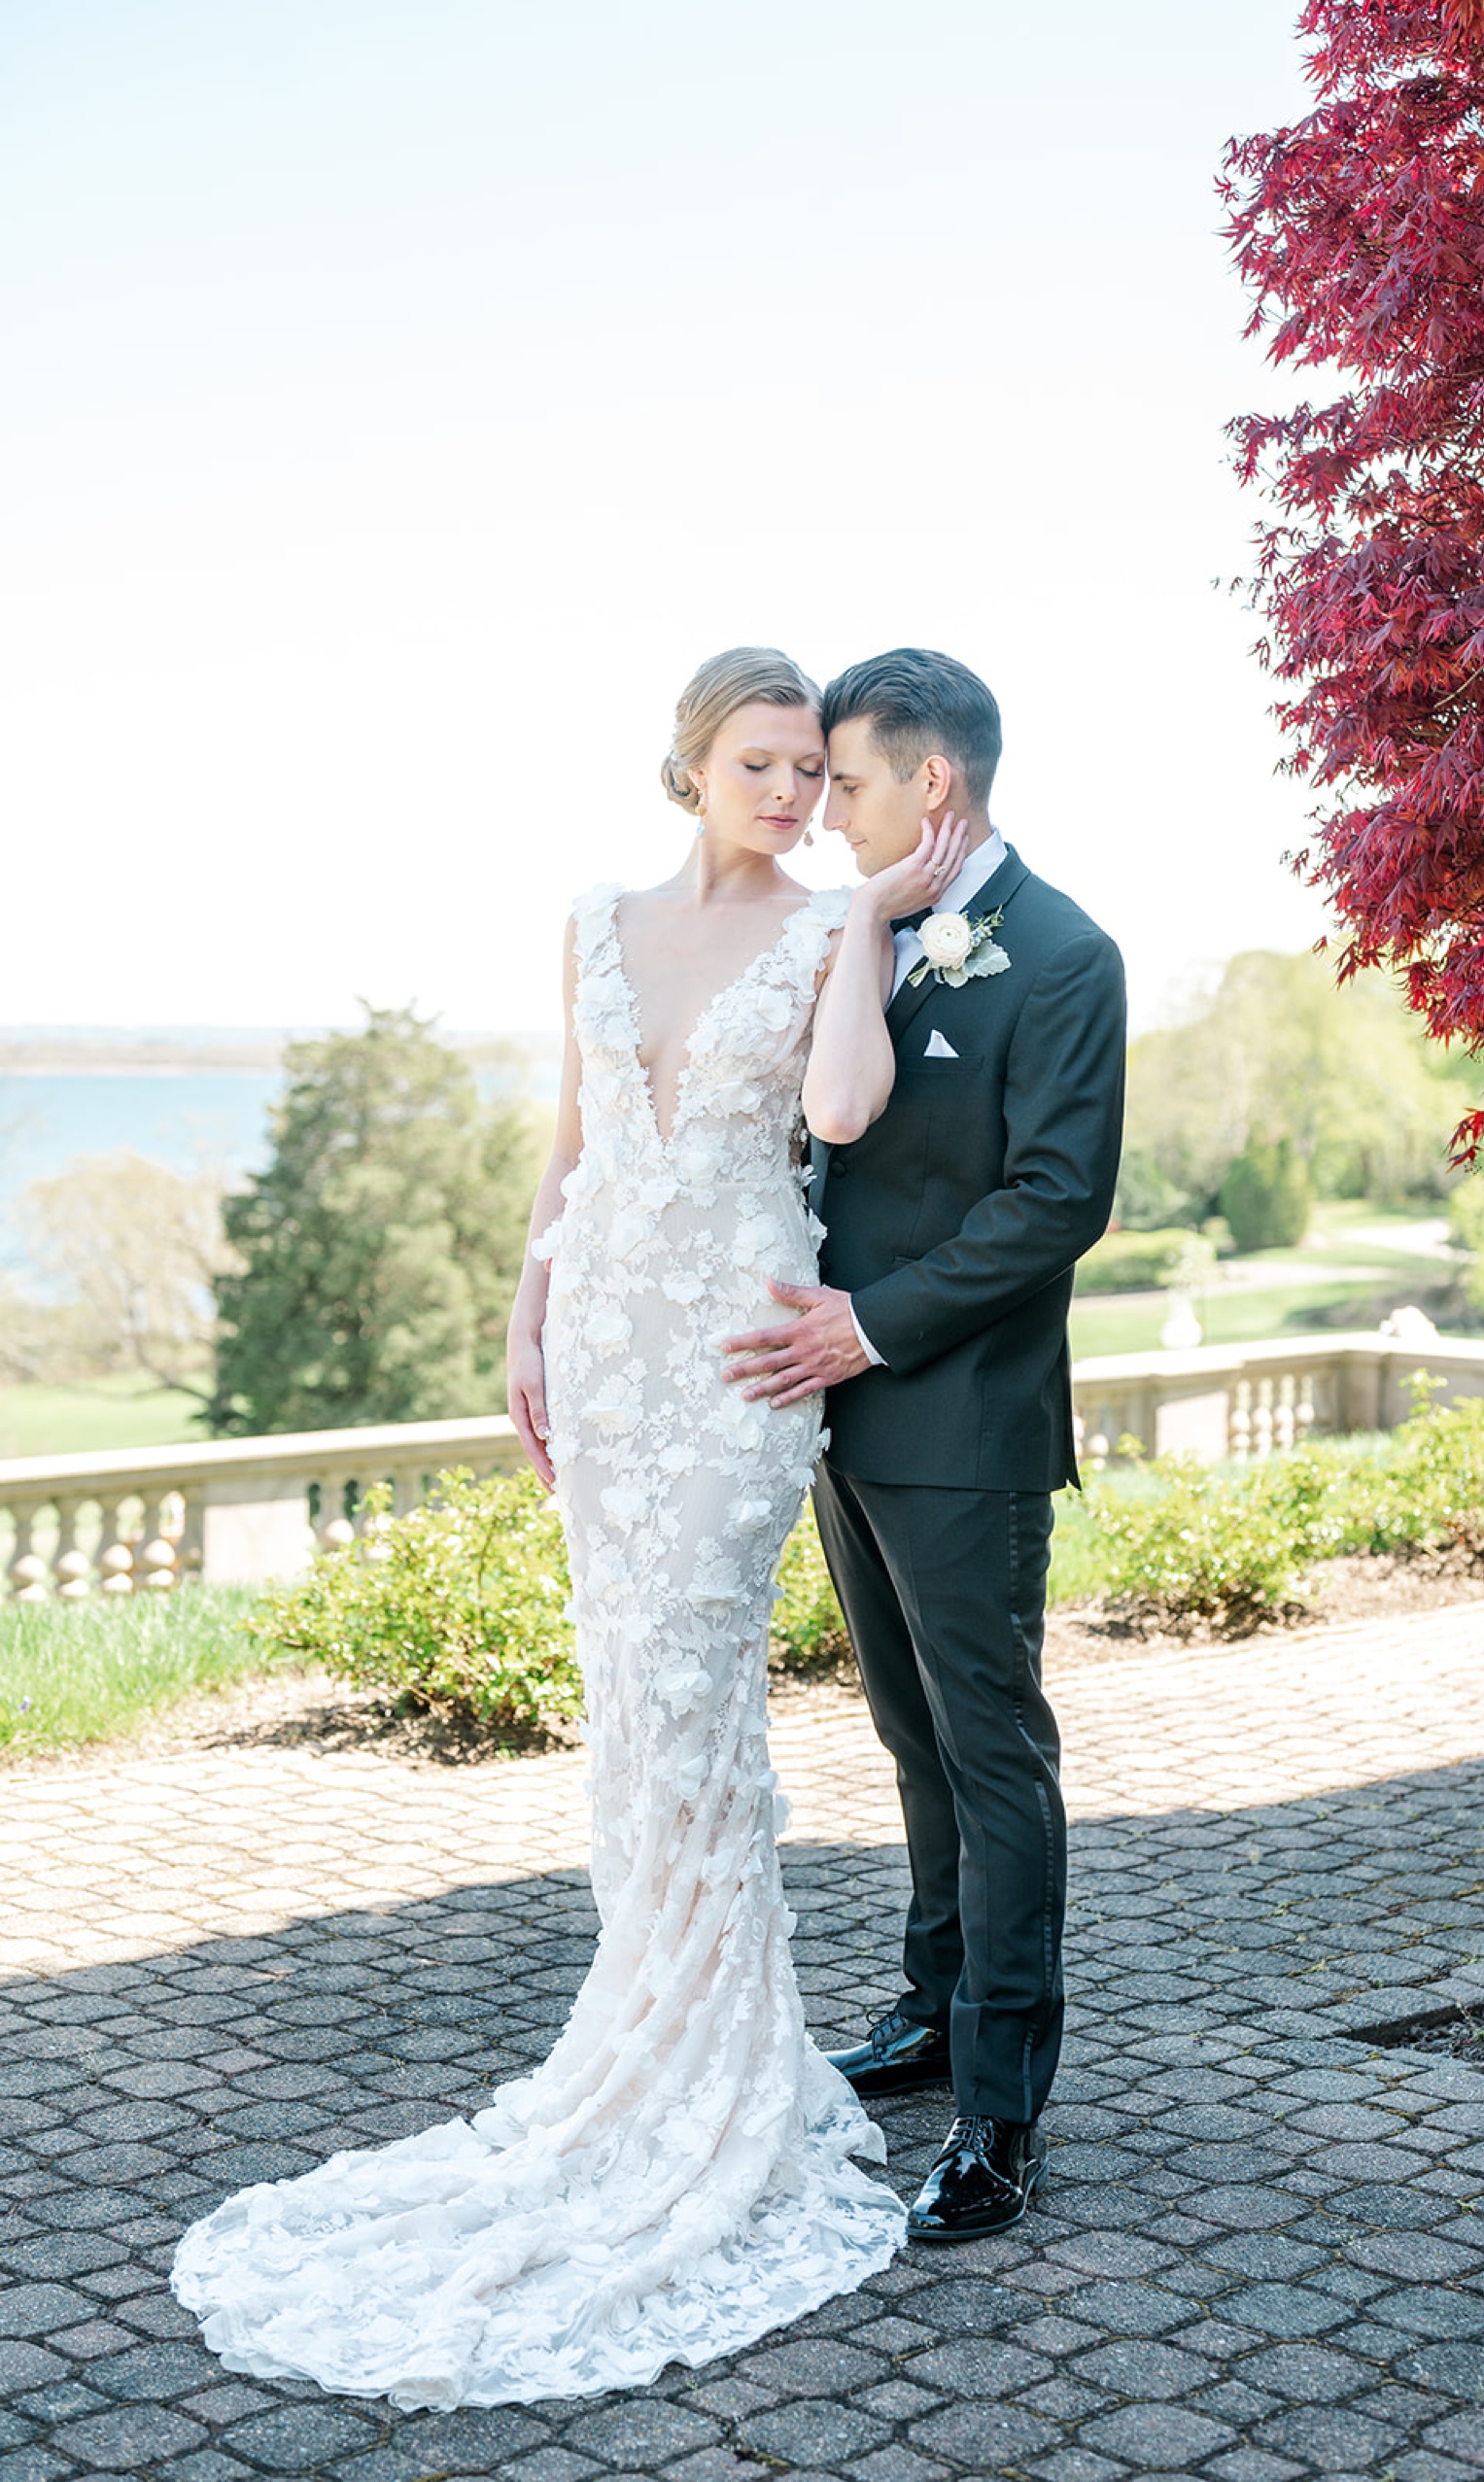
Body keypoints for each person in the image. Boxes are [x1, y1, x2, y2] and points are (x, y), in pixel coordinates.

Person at [170, 646, 968, 2407]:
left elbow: (838, 1112)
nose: (790, 795)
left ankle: (711, 2074)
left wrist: (862, 918)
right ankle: (647, 2031)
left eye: (809, 772)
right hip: (606, 1336)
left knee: (698, 1692)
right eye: (760, 763)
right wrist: (528, 1314)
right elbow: (573, 1138)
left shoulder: (832, 919)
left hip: (737, 1361)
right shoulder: (593, 919)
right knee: (630, 1701)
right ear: (690, 764)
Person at [723, 647, 1126, 2243]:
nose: (827, 815)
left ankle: (1005, 2107)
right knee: (907, 1734)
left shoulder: (1067, 955)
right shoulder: (861, 932)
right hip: (838, 1414)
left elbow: (1055, 1202)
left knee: (993, 1750)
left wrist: (870, 1324)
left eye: (855, 783)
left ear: (933, 785)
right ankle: (930, 2007)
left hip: (960, 1422)